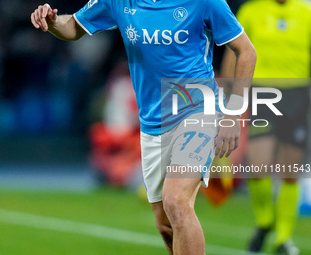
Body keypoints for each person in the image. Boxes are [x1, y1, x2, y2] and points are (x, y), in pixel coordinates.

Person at [31, 1, 256, 254]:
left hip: (198, 109)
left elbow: (246, 51)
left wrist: (234, 114)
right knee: (166, 224)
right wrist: (52, 23)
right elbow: (73, 26)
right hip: (153, 121)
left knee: (176, 201)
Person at [222, 0, 311, 254]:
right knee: (258, 165)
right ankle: (265, 221)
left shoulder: (306, 12)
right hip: (263, 94)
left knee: (290, 171)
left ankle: (283, 238)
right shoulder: (251, 10)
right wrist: (229, 89)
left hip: (298, 96)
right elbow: (233, 49)